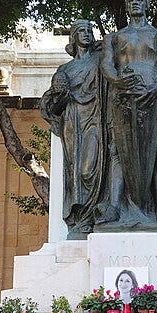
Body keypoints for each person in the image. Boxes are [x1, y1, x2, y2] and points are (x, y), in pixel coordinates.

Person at [100, 0, 157, 230]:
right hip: (122, 96)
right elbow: (106, 64)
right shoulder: (114, 38)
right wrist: (117, 80)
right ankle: (114, 206)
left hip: (155, 96)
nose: (135, 2)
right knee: (117, 151)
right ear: (126, 4)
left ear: (147, 2)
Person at [39, 20, 106, 238]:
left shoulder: (100, 60)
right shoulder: (64, 70)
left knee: (90, 168)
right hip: (72, 120)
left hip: (95, 118)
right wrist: (61, 92)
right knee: (74, 168)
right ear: (73, 37)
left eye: (89, 31)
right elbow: (54, 106)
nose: (86, 34)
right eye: (81, 31)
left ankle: (95, 212)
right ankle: (81, 219)